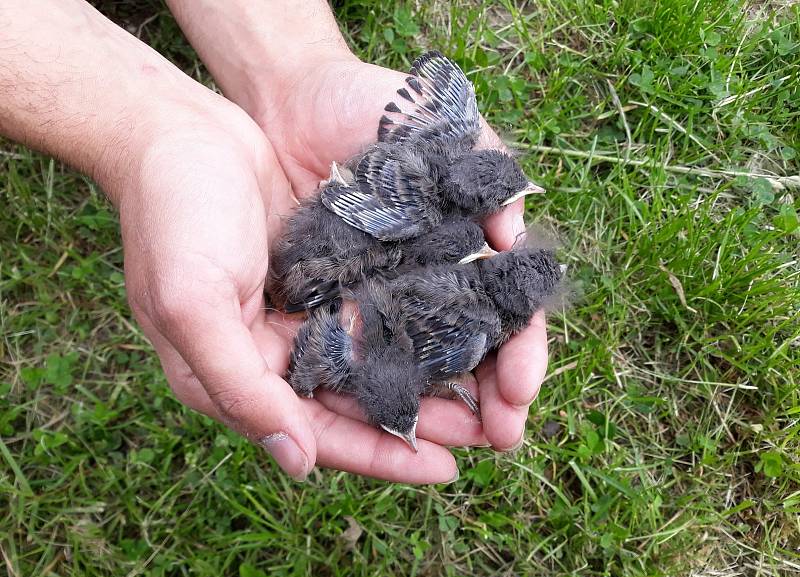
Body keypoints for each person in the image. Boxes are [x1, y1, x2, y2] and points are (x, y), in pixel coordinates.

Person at [0, 1, 549, 483]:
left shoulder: (418, 213)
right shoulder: (403, 223)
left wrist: (298, 72)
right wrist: (149, 132)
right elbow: (360, 222)